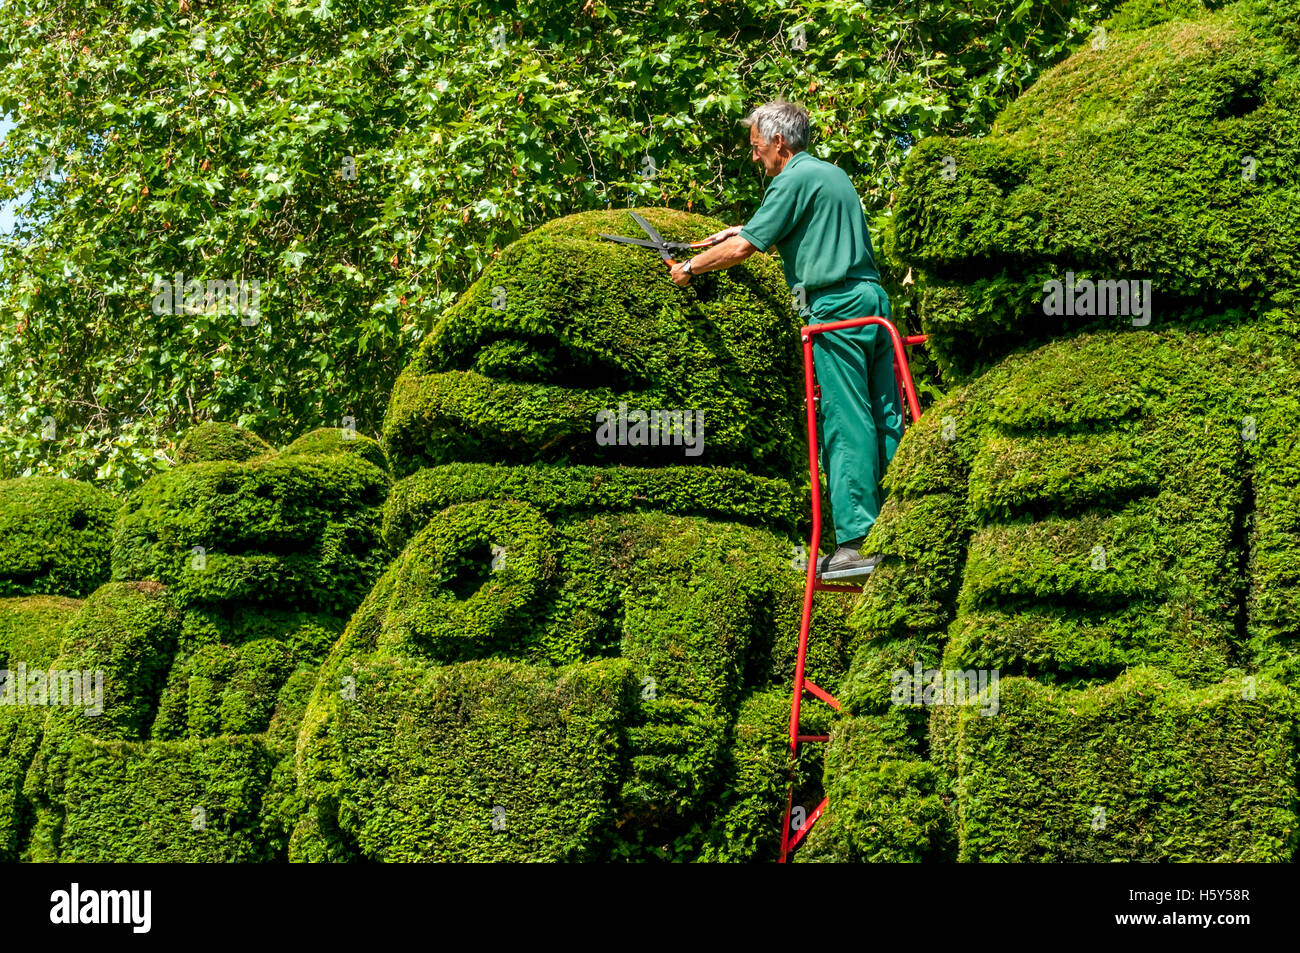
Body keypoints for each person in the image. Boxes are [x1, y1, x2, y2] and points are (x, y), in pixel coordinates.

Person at [669, 97, 902, 579]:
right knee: (885, 413)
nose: (755, 157)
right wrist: (743, 230)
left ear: (778, 141)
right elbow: (788, 230)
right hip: (873, 301)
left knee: (844, 418)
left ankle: (856, 541)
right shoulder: (831, 175)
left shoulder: (791, 177)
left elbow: (744, 249)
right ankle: (904, 525)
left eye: (756, 147)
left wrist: (690, 268)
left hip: (835, 309)